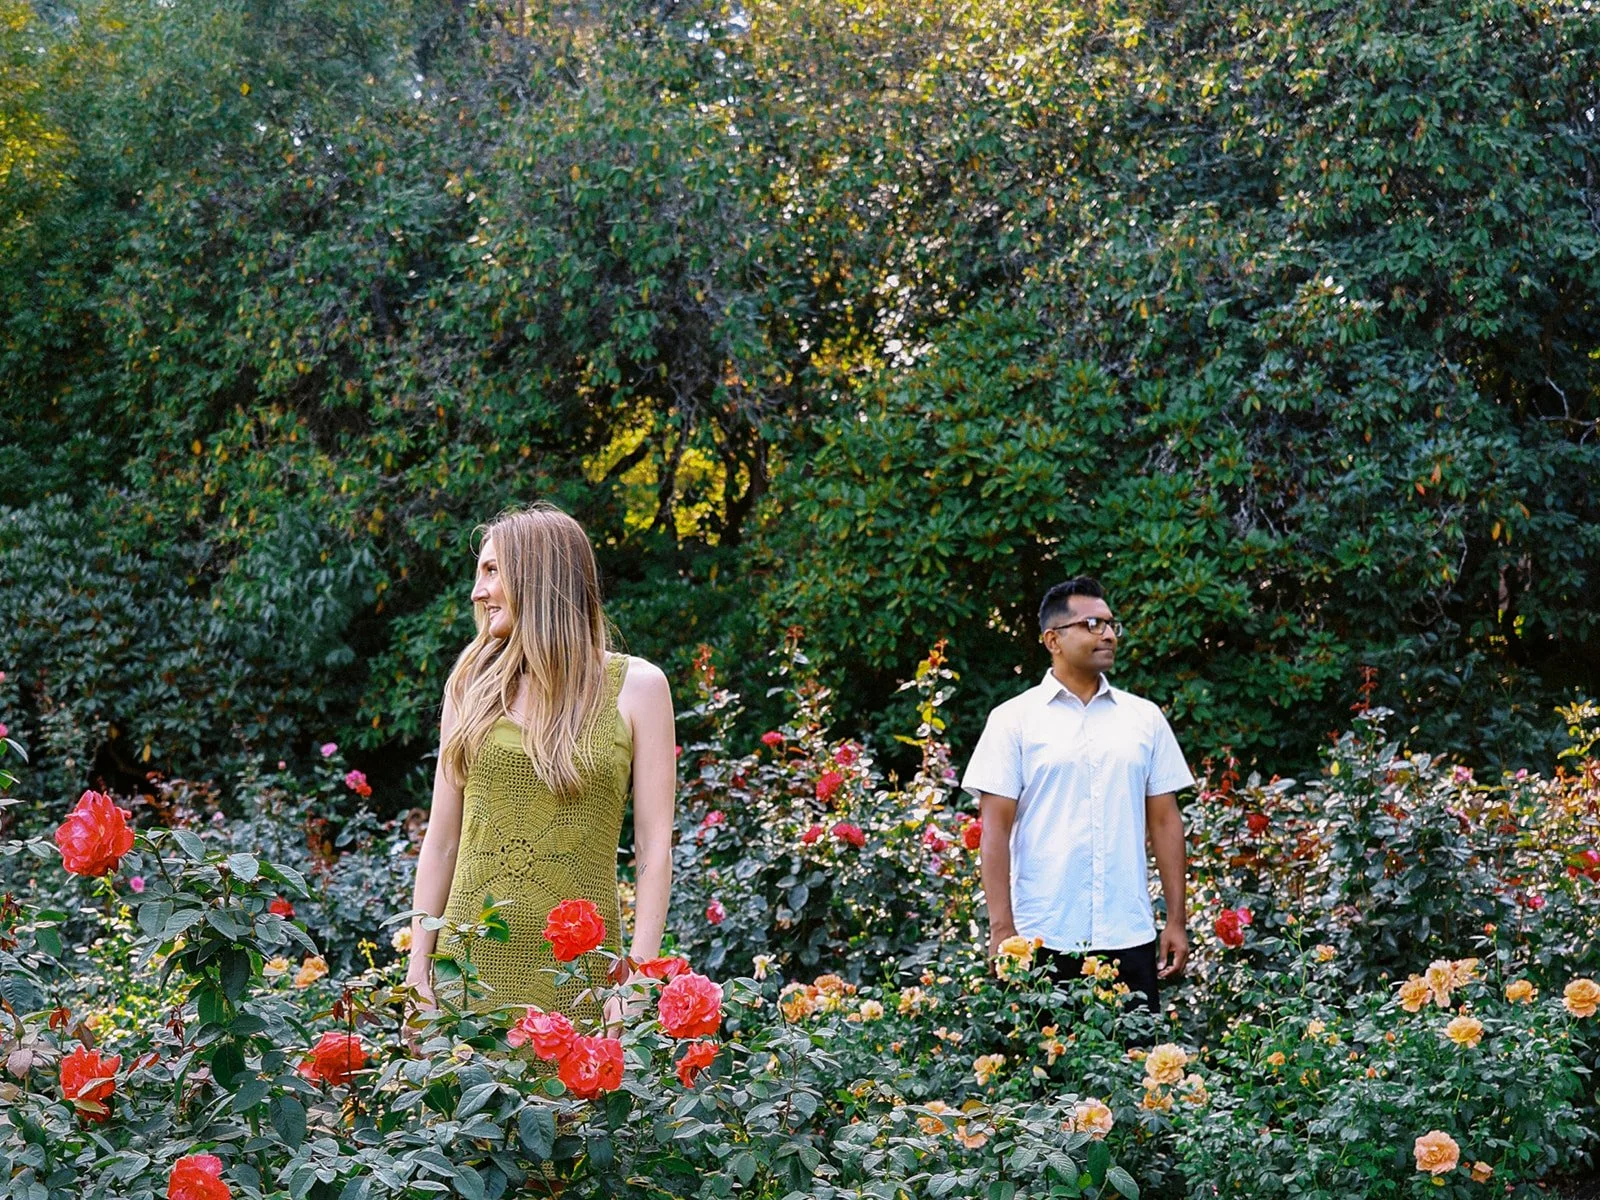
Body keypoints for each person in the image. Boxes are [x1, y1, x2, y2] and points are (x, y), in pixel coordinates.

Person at [404, 504, 676, 1030]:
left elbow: (654, 847)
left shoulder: (639, 688)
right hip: (467, 975)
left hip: (581, 980)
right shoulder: (471, 687)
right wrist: (418, 976)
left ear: (537, 574)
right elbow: (441, 841)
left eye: (491, 571)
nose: (476, 592)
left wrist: (638, 981)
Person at [961, 576, 1193, 1012]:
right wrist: (1000, 929)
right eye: (1092, 624)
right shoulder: (1014, 721)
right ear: (1053, 639)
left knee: (1137, 1073)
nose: (1108, 634)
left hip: (1129, 937)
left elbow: (1165, 821)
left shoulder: (1144, 720)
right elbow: (994, 829)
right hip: (1041, 939)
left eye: (1111, 625)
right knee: (1039, 1076)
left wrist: (1176, 922)